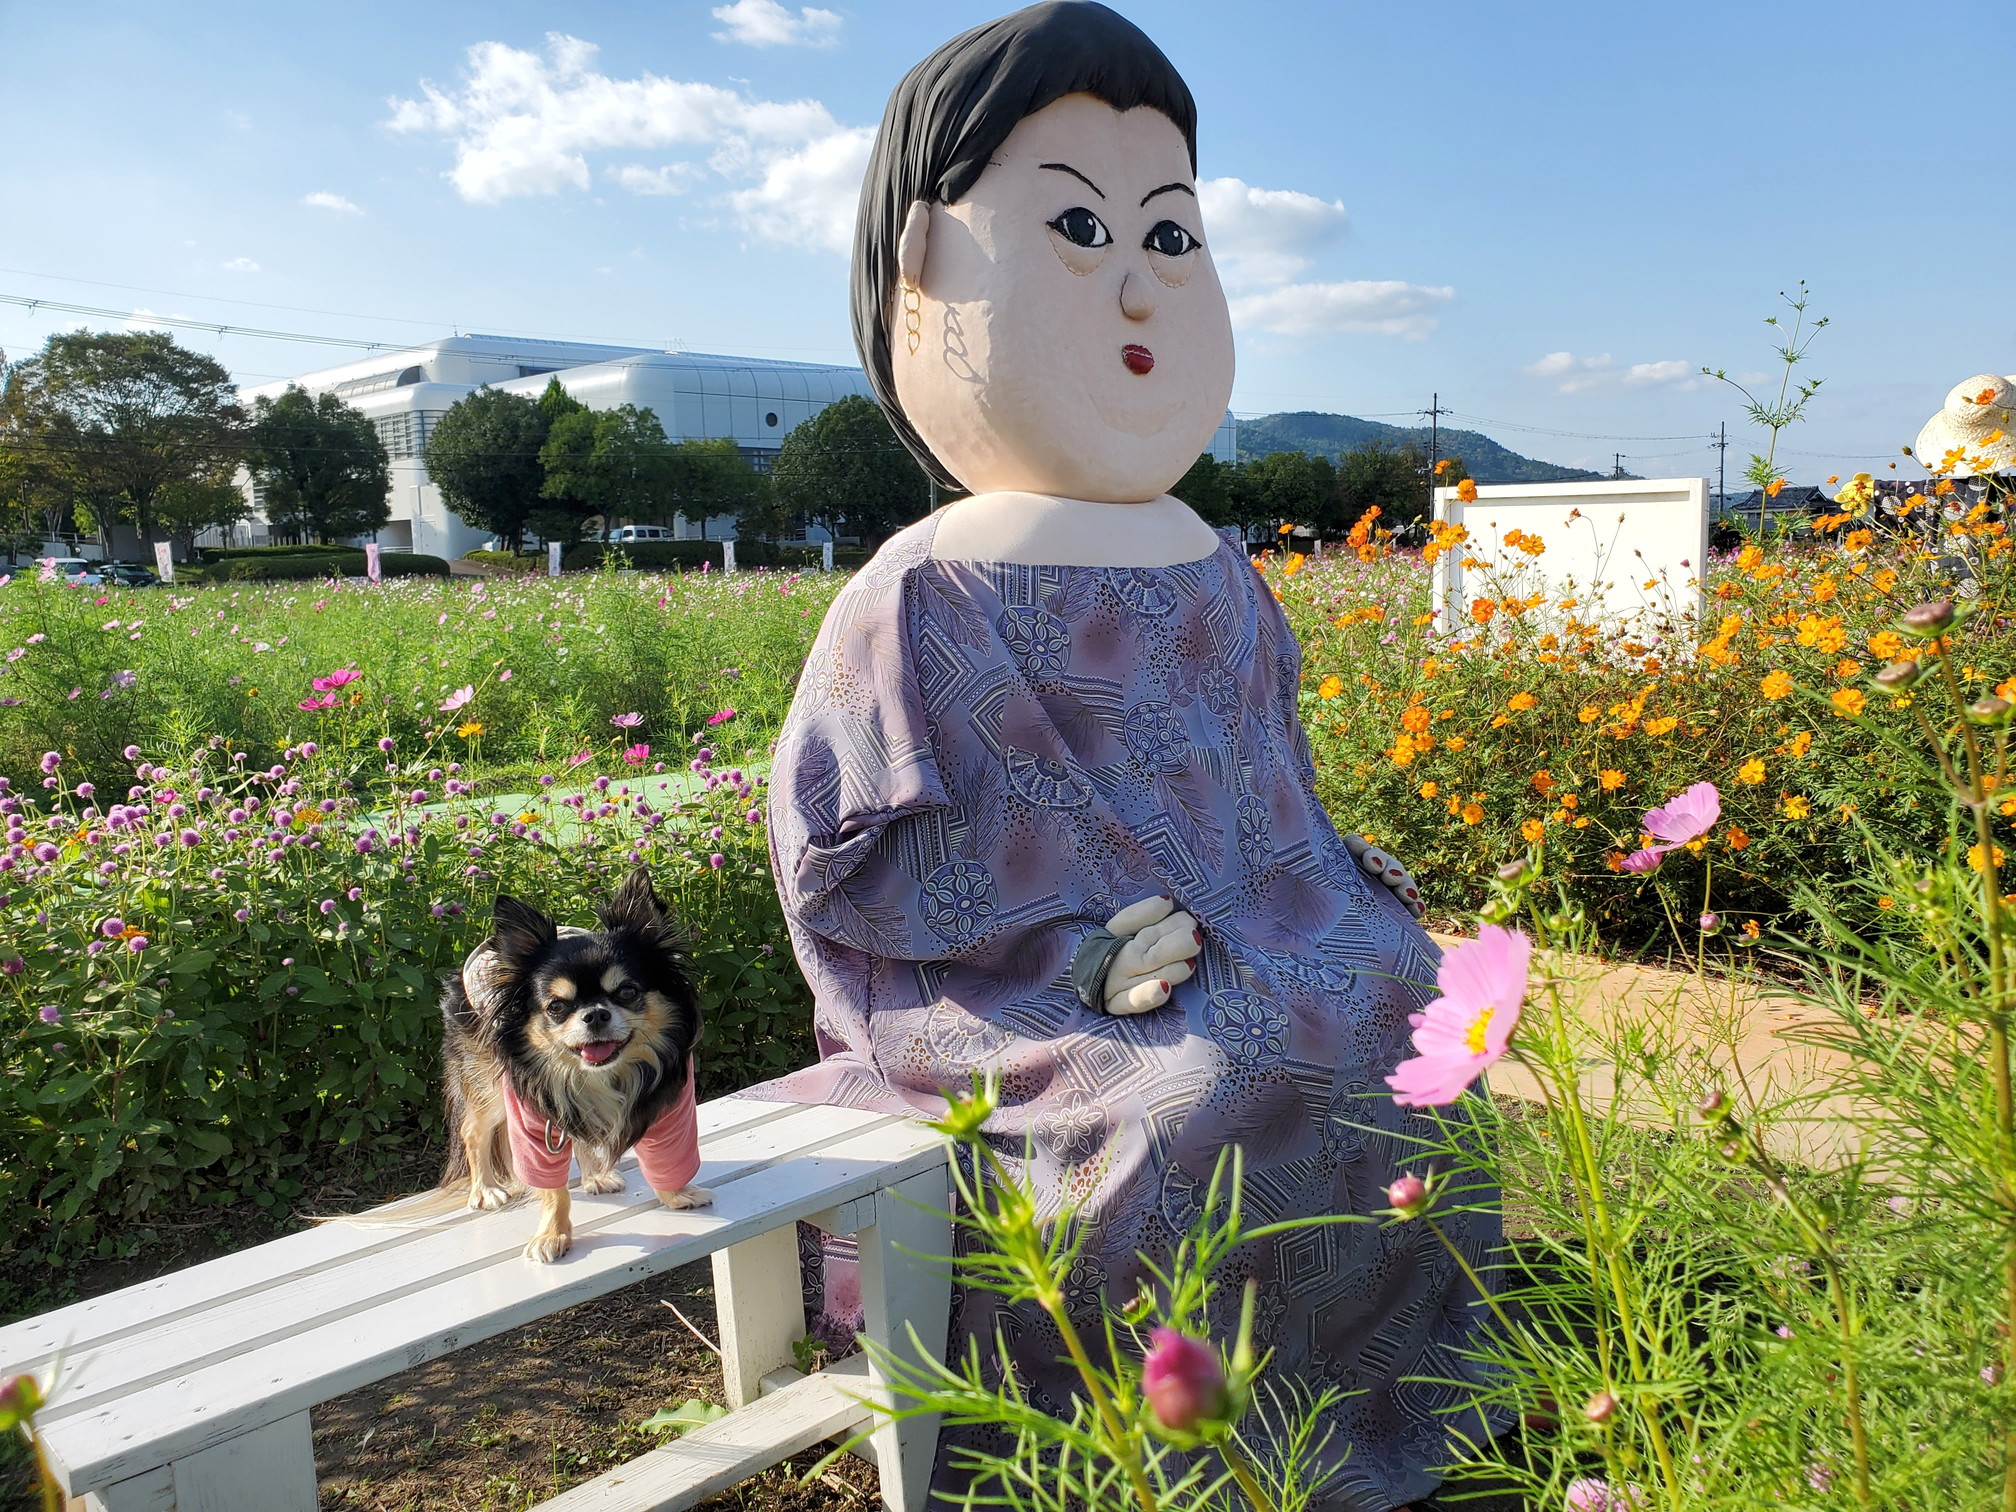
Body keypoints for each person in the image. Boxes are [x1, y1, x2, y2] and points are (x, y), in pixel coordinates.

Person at [747, 6, 1500, 1506]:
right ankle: (1146, 1454)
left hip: (1250, 916)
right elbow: (850, 832)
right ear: (919, 264)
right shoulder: (923, 587)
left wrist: (1328, 886)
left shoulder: (1212, 563)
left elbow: (1263, 785)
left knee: (1395, 1004)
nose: (1141, 276)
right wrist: (1071, 946)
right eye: (1079, 226)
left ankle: (1411, 1407)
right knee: (1191, 1094)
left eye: (1173, 229)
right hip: (1027, 983)